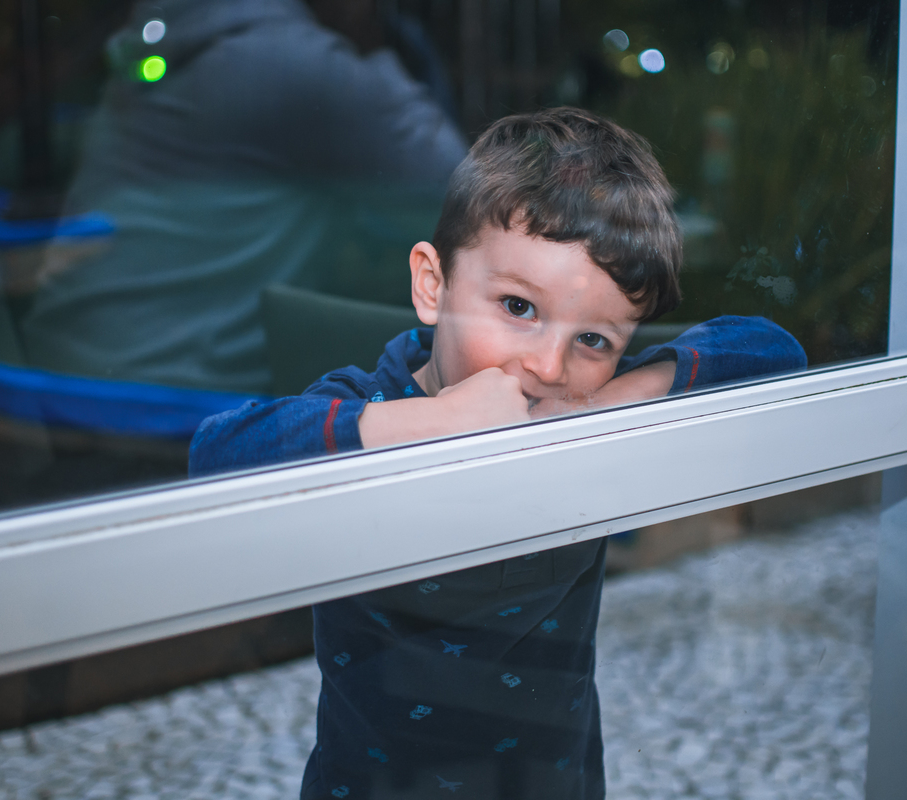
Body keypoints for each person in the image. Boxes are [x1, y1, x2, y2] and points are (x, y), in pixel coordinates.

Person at [190, 108, 807, 799]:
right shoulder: (371, 406)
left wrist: (614, 402)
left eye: (594, 340)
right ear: (434, 285)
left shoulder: (584, 425)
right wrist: (429, 422)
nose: (548, 365)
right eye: (518, 307)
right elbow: (215, 456)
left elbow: (775, 354)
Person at [21, 0, 466, 395]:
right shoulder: (286, 63)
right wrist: (368, 39)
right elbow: (467, 202)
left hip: (63, 377)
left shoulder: (174, 37)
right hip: (155, 406)